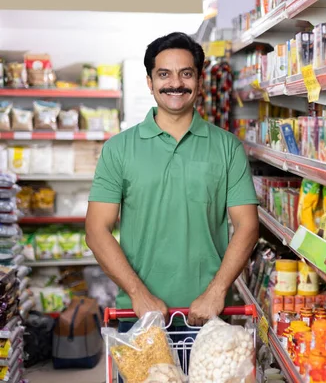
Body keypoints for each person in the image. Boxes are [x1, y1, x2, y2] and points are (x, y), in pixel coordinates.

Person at [85, 32, 260, 372]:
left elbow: (247, 226)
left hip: (210, 318)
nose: (175, 84)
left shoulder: (227, 148)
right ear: (150, 82)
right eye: (164, 74)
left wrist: (216, 291)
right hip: (139, 318)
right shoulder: (119, 149)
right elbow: (96, 229)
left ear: (199, 80)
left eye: (186, 73)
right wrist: (138, 293)